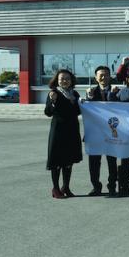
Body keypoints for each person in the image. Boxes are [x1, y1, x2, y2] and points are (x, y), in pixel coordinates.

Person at [45, 69, 82, 199]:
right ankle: (55, 188)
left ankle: (66, 187)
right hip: (58, 131)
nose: (65, 81)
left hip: (72, 130)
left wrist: (83, 102)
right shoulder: (54, 93)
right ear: (57, 80)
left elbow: (78, 111)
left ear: (71, 80)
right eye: (62, 79)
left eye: (67, 78)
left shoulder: (75, 94)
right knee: (57, 161)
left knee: (68, 161)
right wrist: (53, 101)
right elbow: (48, 112)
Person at [85, 66, 119, 196]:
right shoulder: (91, 91)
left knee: (112, 161)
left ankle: (112, 186)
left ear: (110, 77)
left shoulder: (116, 91)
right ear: (96, 77)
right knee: (94, 162)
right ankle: (96, 187)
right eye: (101, 75)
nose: (104, 77)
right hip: (95, 133)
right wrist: (88, 97)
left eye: (106, 75)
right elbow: (87, 109)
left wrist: (114, 95)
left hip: (111, 132)